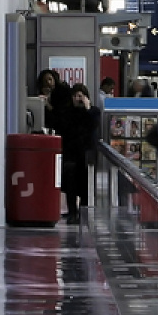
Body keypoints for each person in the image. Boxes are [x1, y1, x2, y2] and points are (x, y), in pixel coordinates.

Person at [56, 84, 99, 224]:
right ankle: (72, 213)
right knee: (71, 185)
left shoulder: (93, 111)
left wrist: (87, 108)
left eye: (80, 96)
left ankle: (83, 212)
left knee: (85, 186)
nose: (77, 99)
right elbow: (63, 127)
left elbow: (93, 125)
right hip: (71, 153)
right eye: (75, 96)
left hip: (86, 154)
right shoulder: (67, 112)